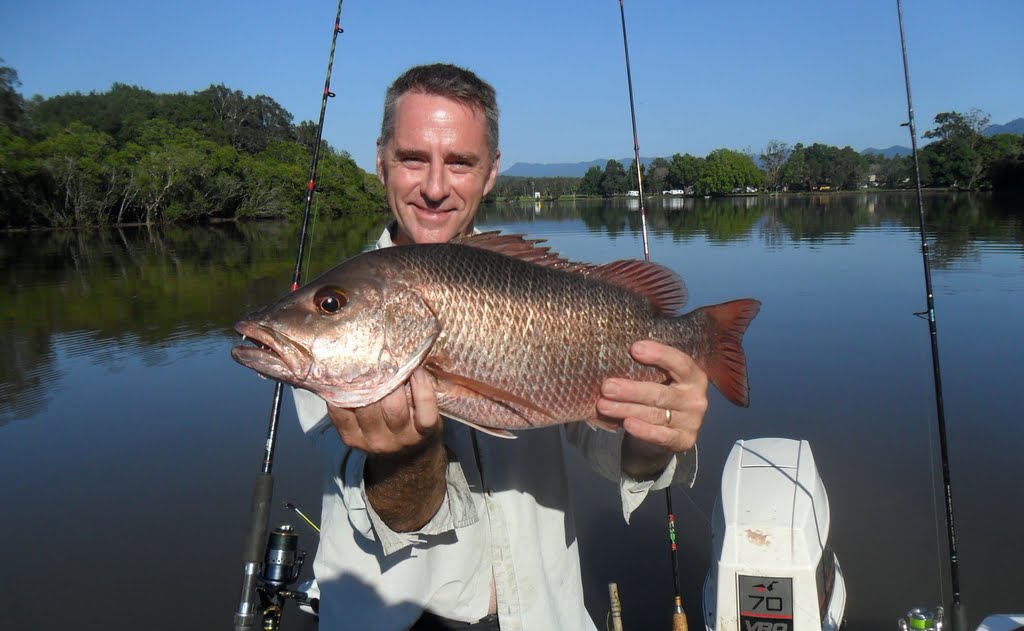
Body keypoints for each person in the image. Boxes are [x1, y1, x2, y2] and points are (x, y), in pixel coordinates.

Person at [292, 63, 710, 631]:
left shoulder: (531, 282)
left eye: (460, 162)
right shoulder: (337, 317)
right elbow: (392, 513)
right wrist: (406, 457)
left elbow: (609, 448)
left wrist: (656, 437)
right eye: (414, 157)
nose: (435, 187)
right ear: (381, 160)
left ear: (491, 172)